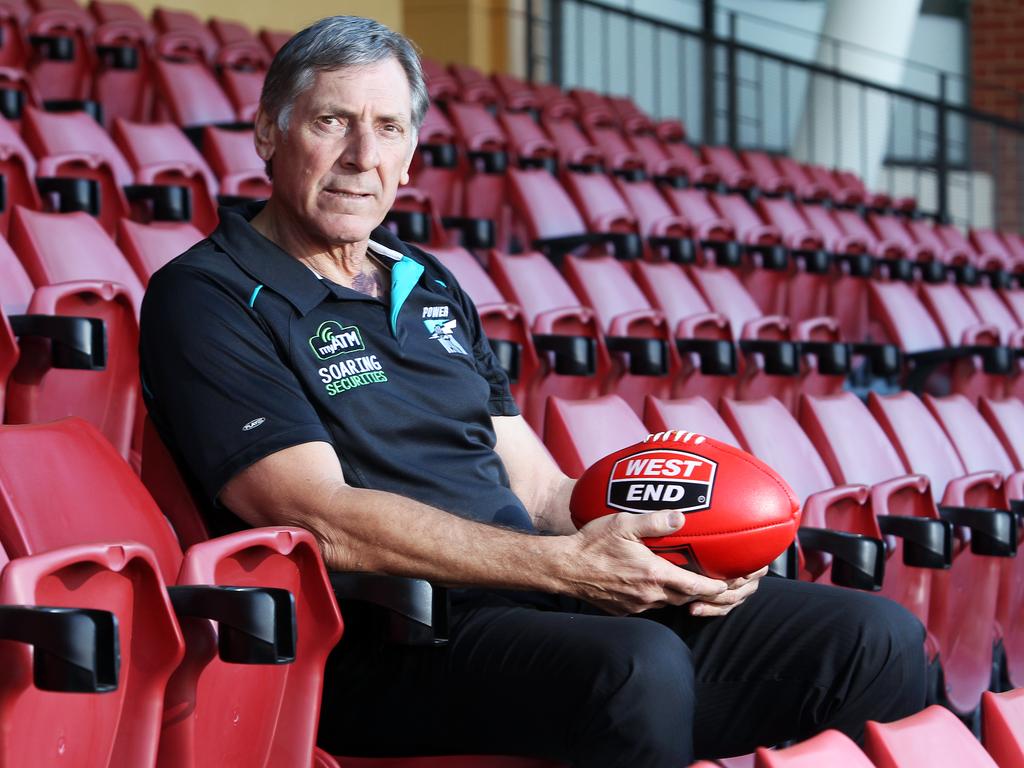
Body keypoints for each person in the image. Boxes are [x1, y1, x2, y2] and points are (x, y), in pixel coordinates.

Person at [139, 15, 926, 766]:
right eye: (330, 122)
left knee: (872, 638)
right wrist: (566, 569)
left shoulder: (428, 282)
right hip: (385, 638)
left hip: (531, 602)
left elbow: (543, 490)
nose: (360, 155)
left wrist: (688, 553)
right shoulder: (206, 296)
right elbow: (321, 518)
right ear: (270, 133)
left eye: (387, 129)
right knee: (634, 668)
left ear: (411, 156)